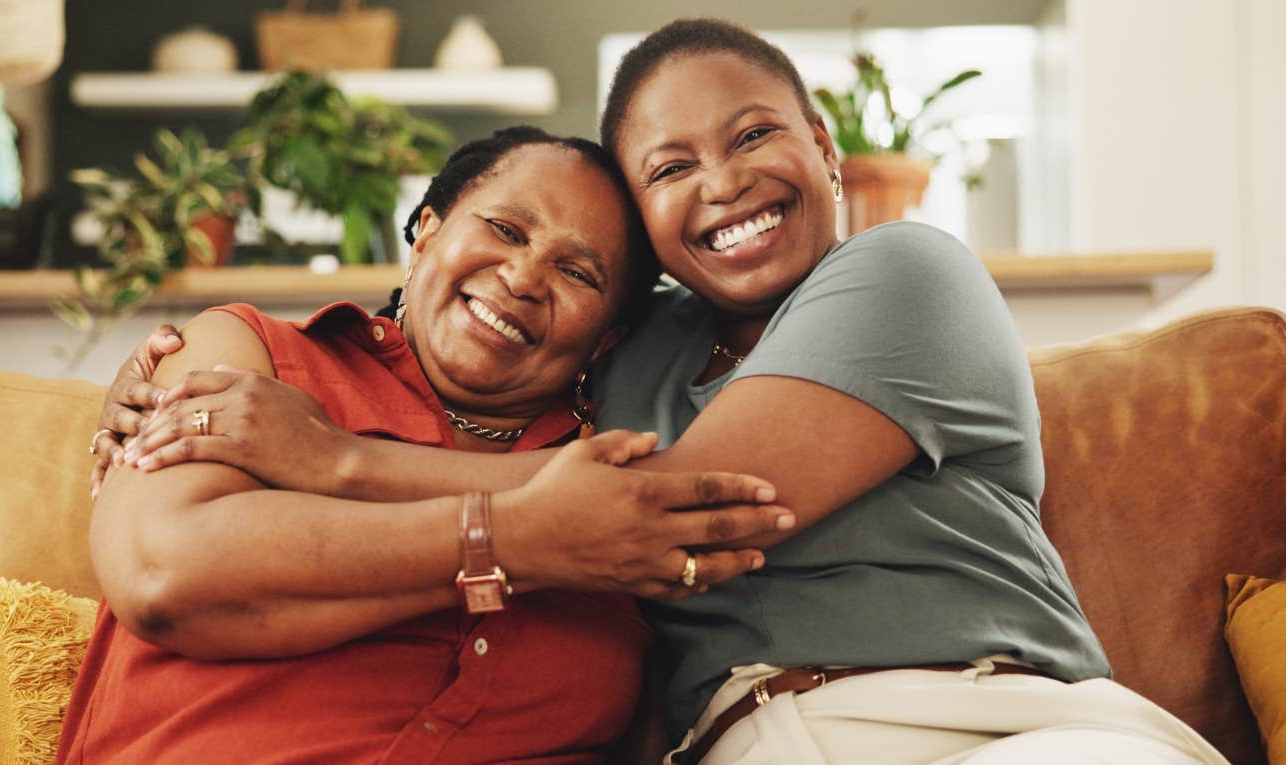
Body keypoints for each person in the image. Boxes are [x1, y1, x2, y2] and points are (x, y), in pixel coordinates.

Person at [93, 19, 1230, 765]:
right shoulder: (624, 358)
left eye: (752, 137)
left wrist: (332, 458)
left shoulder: (901, 272)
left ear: (825, 149)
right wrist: (157, 376)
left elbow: (672, 510)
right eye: (671, 168)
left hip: (994, 721)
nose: (724, 183)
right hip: (747, 743)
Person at [57, 127, 798, 765]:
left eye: (576, 272)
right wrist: (519, 539)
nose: (522, 276)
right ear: (426, 230)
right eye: (506, 229)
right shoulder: (252, 357)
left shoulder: (618, 478)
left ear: (605, 338)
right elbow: (162, 571)